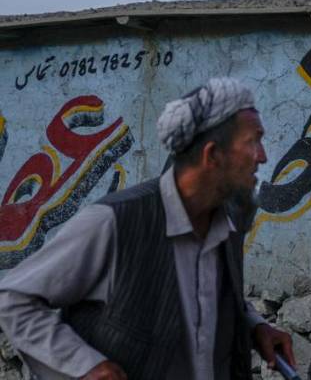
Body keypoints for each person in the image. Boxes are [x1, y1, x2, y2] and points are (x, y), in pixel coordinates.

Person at [0, 78, 295, 380]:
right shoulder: (114, 222)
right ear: (212, 155)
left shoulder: (228, 220)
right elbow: (15, 300)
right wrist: (85, 365)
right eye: (253, 141)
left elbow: (204, 295)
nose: (262, 156)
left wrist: (254, 326)